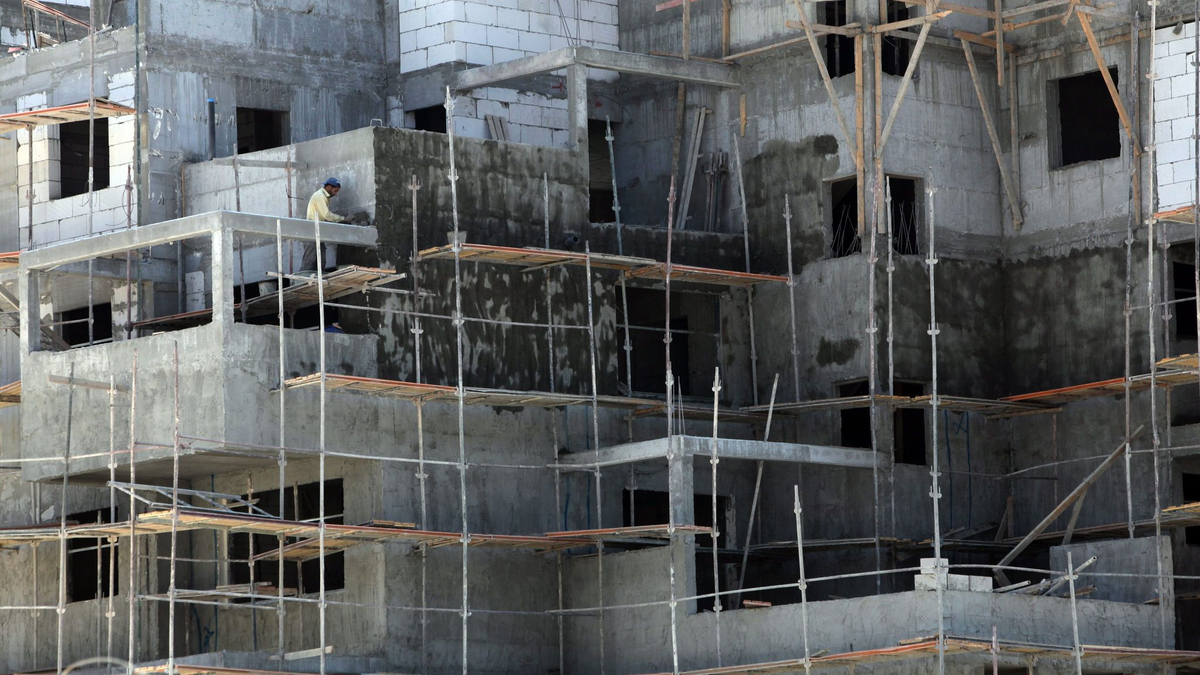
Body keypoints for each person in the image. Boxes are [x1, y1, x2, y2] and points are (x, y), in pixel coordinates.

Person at [301, 178, 349, 273]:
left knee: (321, 261)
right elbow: (326, 215)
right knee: (310, 261)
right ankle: (302, 281)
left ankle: (318, 283)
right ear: (328, 187)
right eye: (335, 191)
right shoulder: (320, 196)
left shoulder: (324, 197)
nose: (336, 194)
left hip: (318, 231)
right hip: (311, 231)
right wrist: (343, 219)